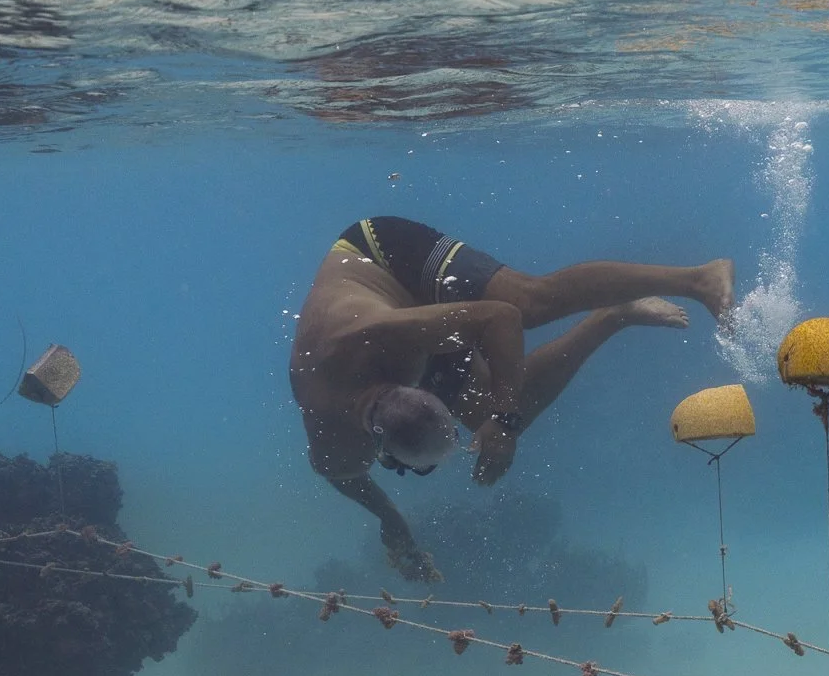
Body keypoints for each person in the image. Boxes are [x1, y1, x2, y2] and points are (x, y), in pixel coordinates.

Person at [289, 215, 733, 579]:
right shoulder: (334, 444)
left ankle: (697, 278)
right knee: (491, 406)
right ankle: (613, 317)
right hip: (395, 336)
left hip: (380, 259)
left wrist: (504, 422)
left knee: (531, 303)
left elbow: (502, 317)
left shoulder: (384, 337)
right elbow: (346, 478)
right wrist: (393, 522)